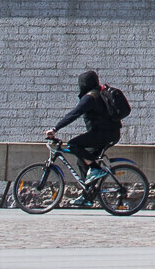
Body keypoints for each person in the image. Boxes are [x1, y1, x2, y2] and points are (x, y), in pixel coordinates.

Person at [45, 69, 127, 209]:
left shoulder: (90, 97)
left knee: (73, 145)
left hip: (103, 134)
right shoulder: (99, 93)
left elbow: (73, 114)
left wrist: (55, 129)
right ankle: (87, 195)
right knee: (82, 161)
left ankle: (95, 169)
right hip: (109, 133)